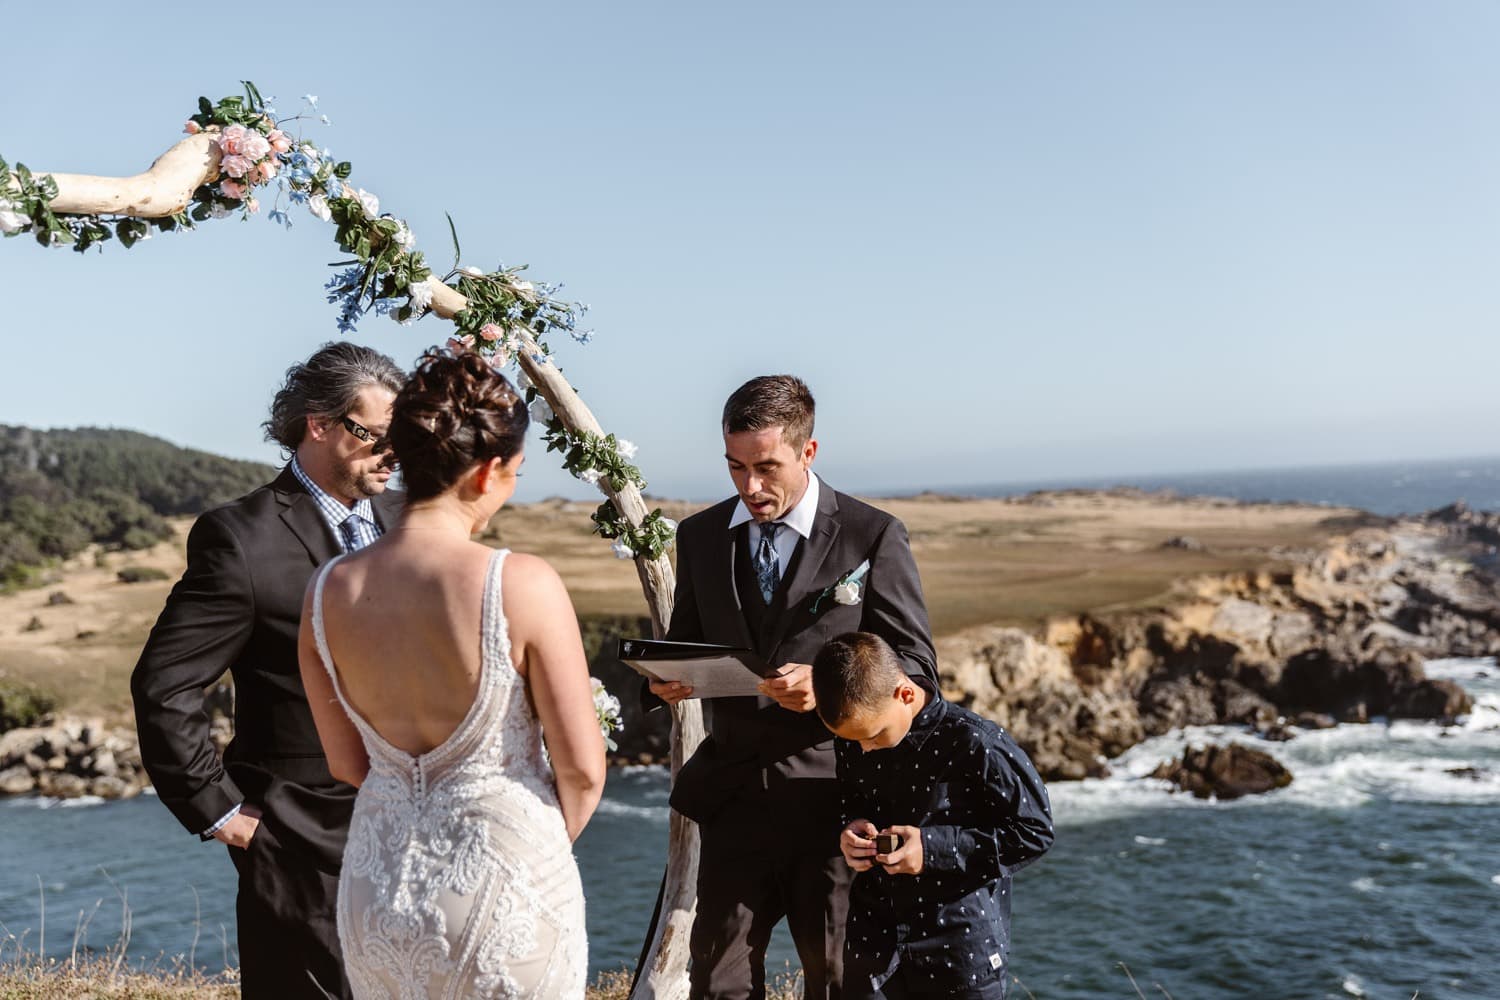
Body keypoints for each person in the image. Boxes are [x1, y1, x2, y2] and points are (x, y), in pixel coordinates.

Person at [298, 350, 604, 998]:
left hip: (378, 893)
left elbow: (349, 764)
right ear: (489, 470)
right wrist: (528, 849)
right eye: (516, 474)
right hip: (503, 889)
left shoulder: (326, 592)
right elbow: (581, 769)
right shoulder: (519, 583)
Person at [647, 374, 938, 1000]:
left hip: (837, 803)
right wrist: (669, 682)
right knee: (717, 986)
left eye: (766, 466)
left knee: (835, 984)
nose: (750, 486)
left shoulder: (873, 535)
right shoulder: (698, 538)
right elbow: (685, 643)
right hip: (733, 800)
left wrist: (831, 687)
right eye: (735, 467)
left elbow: (917, 668)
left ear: (808, 452)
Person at [131, 342, 406, 999]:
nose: (394, 456)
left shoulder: (409, 519)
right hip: (296, 837)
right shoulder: (241, 539)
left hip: (413, 825)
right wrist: (220, 811)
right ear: (320, 425)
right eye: (377, 437)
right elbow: (164, 685)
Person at [812, 632, 1054, 1000]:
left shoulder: (978, 742)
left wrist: (931, 848)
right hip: (873, 942)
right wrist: (850, 830)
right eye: (851, 741)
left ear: (905, 694)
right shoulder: (857, 734)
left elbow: (1034, 832)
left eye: (874, 736)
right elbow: (850, 800)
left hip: (959, 947)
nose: (863, 748)